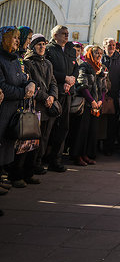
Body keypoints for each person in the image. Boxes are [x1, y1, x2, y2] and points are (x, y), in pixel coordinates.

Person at [0, 26, 36, 188]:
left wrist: (31, 84)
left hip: (13, 110)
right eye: (14, 38)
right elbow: (3, 87)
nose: (17, 41)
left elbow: (23, 78)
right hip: (3, 109)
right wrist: (23, 93)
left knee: (7, 145)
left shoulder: (15, 58)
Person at [23, 33, 60, 175]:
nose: (42, 47)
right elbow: (30, 84)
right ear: (33, 46)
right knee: (32, 138)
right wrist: (45, 97)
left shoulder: (48, 63)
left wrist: (52, 96)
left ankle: (38, 163)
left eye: (44, 44)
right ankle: (29, 166)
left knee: (44, 137)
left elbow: (53, 83)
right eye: (39, 44)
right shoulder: (28, 62)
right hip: (35, 106)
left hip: (47, 106)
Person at [45, 25, 77, 172]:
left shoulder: (69, 49)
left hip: (67, 92)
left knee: (63, 127)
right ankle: (39, 160)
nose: (66, 36)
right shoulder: (49, 49)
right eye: (63, 33)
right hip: (54, 93)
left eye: (67, 34)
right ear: (55, 35)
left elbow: (75, 67)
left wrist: (70, 81)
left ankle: (56, 160)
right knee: (48, 128)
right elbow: (49, 71)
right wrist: (63, 78)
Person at [71, 45, 107, 166]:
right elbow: (82, 85)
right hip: (86, 104)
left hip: (96, 105)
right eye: (96, 53)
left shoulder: (100, 68)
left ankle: (86, 154)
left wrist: (100, 101)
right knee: (81, 131)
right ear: (90, 54)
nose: (99, 56)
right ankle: (77, 155)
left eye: (101, 54)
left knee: (91, 131)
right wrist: (91, 101)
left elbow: (103, 88)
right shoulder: (84, 66)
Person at [101, 37, 120, 154]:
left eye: (113, 45)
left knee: (112, 123)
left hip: (115, 95)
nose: (111, 47)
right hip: (101, 95)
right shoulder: (101, 57)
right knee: (101, 122)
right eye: (109, 45)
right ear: (104, 46)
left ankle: (109, 147)